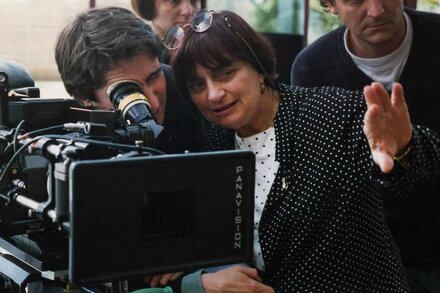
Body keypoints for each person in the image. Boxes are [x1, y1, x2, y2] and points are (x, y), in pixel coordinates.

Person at [168, 9, 440, 292]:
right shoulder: (212, 142)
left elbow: (417, 170)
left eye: (225, 73)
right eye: (198, 84)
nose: (213, 94)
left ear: (258, 68)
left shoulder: (332, 112)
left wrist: (404, 150)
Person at [290, 1, 440, 290]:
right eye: (356, 0)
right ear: (331, 5)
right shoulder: (311, 68)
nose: (375, 10)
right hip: (363, 258)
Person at [55, 6, 206, 156]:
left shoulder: (191, 92)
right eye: (127, 91)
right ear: (84, 96)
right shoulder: (67, 141)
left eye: (154, 77)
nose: (153, 103)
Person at [131, 0, 201, 63]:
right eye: (174, 1)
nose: (188, 11)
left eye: (194, 0)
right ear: (147, 5)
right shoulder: (138, 57)